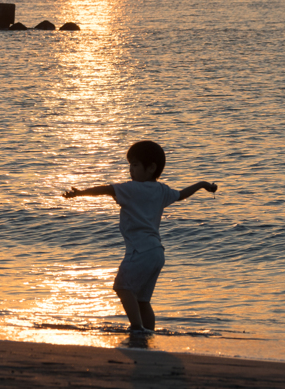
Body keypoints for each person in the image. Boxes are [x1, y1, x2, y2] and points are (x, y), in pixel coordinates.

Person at [63, 140, 218, 335]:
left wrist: (81, 193)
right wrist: (203, 184)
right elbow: (181, 195)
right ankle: (148, 333)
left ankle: (136, 328)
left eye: (135, 165)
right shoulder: (162, 190)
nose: (131, 170)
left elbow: (107, 189)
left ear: (151, 168)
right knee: (143, 300)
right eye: (130, 165)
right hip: (156, 252)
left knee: (122, 287)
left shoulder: (132, 188)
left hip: (139, 250)